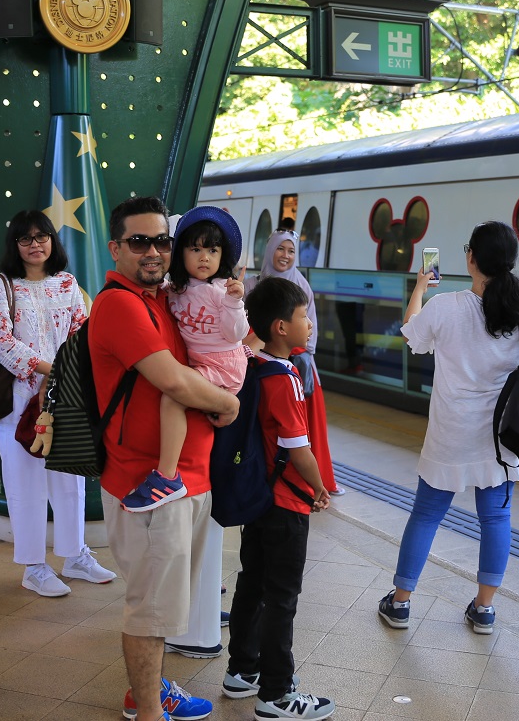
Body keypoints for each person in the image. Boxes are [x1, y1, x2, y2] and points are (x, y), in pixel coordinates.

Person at [90, 196, 240, 721]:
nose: (153, 251)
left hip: (186, 482)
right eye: (139, 241)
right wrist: (229, 404)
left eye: (161, 240)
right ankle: (149, 712)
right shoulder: (121, 304)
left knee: (165, 605)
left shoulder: (164, 299)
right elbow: (174, 382)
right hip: (149, 487)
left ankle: (147, 690)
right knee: (151, 613)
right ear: (116, 248)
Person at [377, 221, 519, 634]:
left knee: (425, 516)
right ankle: (484, 610)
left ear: (471, 258)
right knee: (496, 520)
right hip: (503, 439)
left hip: (451, 433)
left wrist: (420, 288)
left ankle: (400, 603)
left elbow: (412, 336)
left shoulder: (446, 306)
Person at [0, 211, 115, 598]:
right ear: (15, 245)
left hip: (65, 395)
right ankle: (33, 567)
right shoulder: (0, 286)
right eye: (25, 239)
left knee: (70, 477)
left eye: (42, 236)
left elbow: (82, 335)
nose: (35, 244)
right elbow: (1, 343)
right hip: (18, 401)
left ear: (53, 241)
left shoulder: (67, 283)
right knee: (25, 482)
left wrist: (61, 375)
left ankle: (75, 556)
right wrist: (49, 370)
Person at [222, 276, 335, 720]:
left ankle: (242, 670)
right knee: (282, 597)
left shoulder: (252, 363)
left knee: (252, 582)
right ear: (281, 327)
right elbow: (297, 447)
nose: (310, 324)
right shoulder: (284, 378)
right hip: (285, 503)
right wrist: (320, 486)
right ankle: (276, 693)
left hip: (258, 497)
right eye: (304, 316)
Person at [121, 206, 249, 513]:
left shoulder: (221, 291)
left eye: (213, 250)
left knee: (172, 399)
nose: (204, 258)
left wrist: (235, 302)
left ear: (223, 257)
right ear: (181, 254)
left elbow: (236, 334)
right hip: (202, 364)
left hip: (223, 367)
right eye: (196, 249)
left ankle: (167, 476)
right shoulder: (175, 289)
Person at [246, 229, 343, 495]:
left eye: (291, 251)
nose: (285, 256)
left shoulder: (301, 285)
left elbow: (311, 328)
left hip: (298, 363)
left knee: (302, 429)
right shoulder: (251, 286)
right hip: (261, 361)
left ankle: (316, 480)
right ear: (269, 250)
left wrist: (306, 355)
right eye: (280, 248)